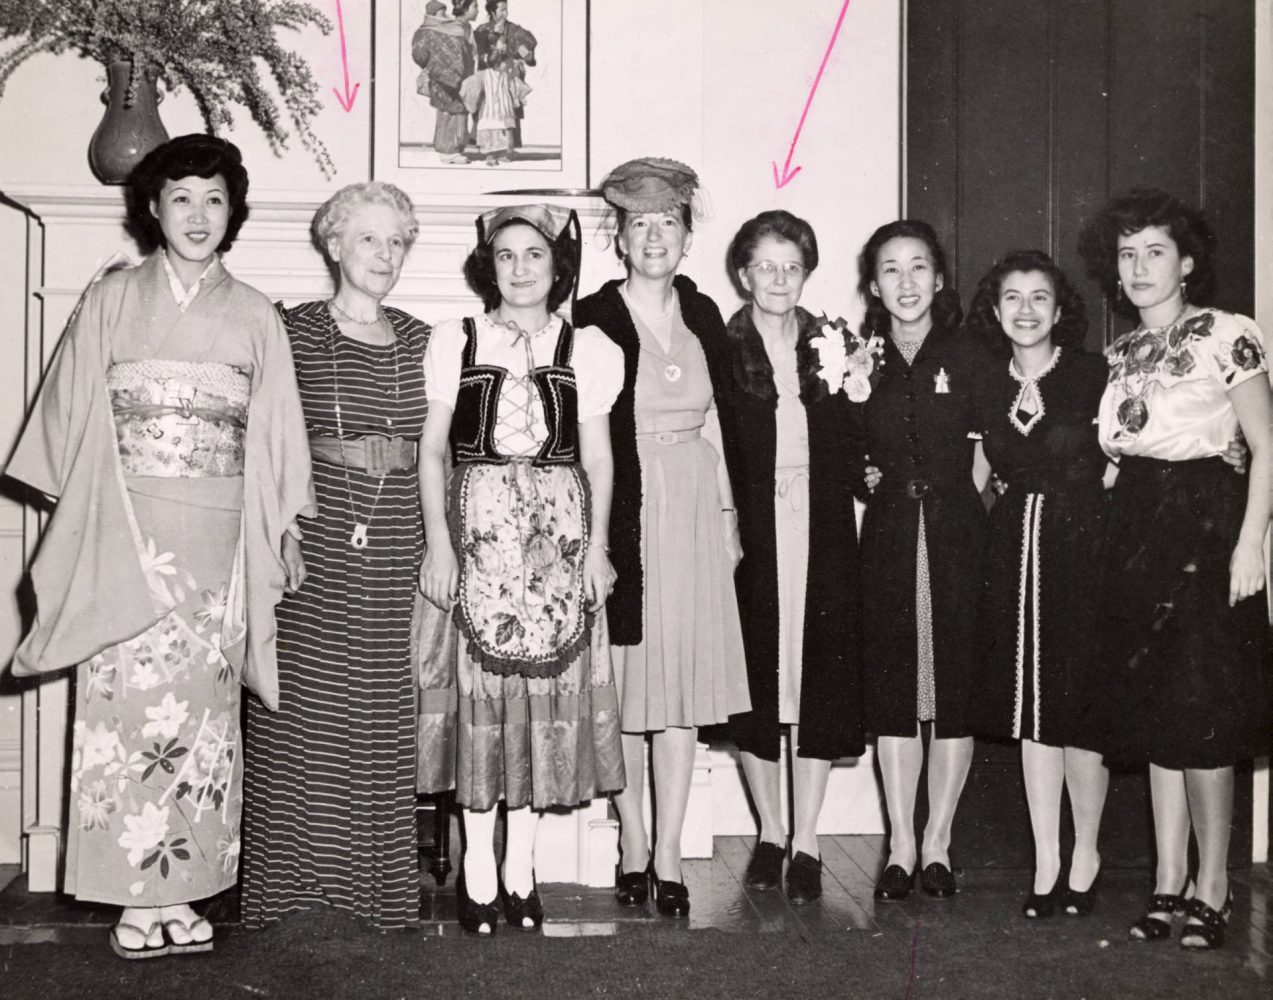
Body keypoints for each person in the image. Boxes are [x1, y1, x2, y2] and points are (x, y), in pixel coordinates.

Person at [3, 134, 313, 958]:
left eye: (214, 198)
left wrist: (278, 530)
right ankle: (134, 902)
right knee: (125, 718)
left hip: (217, 540)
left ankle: (187, 892)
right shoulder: (109, 300)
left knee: (204, 727)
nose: (198, 215)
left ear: (232, 210)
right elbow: (70, 416)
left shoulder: (253, 313)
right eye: (181, 197)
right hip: (125, 532)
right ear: (152, 207)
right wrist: (98, 511)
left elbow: (277, 433)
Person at [415, 204, 626, 935]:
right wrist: (441, 546)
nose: (520, 267)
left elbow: (597, 455)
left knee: (537, 704)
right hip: (478, 538)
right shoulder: (458, 339)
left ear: (555, 264)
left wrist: (596, 548)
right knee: (483, 701)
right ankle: (477, 871)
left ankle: (521, 871)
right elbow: (432, 450)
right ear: (488, 266)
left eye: (533, 253)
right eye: (505, 255)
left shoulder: (589, 347)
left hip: (556, 544)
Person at [1077, 188, 1270, 950]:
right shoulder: (1120, 351)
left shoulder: (1229, 334)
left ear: (1186, 263)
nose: (1138, 267)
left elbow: (1262, 444)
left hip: (1204, 526)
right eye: (1126, 254)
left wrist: (1250, 541)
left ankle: (1212, 884)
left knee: (1203, 713)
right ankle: (1165, 880)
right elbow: (1121, 454)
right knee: (1154, 714)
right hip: (1136, 531)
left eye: (1154, 251)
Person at [239, 182, 430, 930]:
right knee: (301, 712)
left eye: (396, 242)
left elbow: (439, 451)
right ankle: (288, 886)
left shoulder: (422, 341)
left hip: (394, 543)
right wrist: (280, 529)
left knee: (378, 713)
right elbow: (266, 444)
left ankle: (370, 889)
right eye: (369, 239)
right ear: (334, 245)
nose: (384, 255)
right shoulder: (290, 331)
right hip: (313, 536)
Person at [575, 158, 750, 917]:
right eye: (638, 224)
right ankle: (633, 840)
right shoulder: (589, 316)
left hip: (692, 509)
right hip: (624, 504)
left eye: (667, 223)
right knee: (628, 688)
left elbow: (721, 420)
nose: (653, 236)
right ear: (618, 236)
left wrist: (728, 516)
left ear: (686, 235)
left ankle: (671, 852)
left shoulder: (705, 312)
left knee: (679, 695)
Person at [720, 210, 864, 905]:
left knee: (818, 680)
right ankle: (770, 832)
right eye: (765, 266)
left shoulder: (832, 342)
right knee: (756, 680)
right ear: (743, 273)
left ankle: (807, 837)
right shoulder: (720, 347)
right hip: (751, 527)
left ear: (806, 274)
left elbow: (860, 436)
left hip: (823, 524)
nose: (778, 279)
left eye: (792, 266)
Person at [963, 251, 1110, 918]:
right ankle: (1046, 860)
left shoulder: (1088, 373)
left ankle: (1086, 855)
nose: (1025, 310)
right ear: (995, 312)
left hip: (1079, 548)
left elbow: (1119, 461)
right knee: (1029, 710)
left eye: (1038, 298)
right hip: (1010, 549)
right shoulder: (984, 382)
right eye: (1011, 298)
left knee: (1076, 707)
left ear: (1059, 309)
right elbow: (972, 472)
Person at [852, 220, 992, 901]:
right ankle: (899, 847)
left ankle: (938, 841)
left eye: (917, 268)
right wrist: (864, 477)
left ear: (938, 279)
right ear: (873, 284)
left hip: (955, 534)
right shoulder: (855, 358)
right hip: (885, 536)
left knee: (951, 693)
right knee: (894, 694)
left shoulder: (969, 355)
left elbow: (992, 448)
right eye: (889, 269)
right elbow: (845, 449)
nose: (904, 282)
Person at [412, 0, 478, 164]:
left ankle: (456, 149)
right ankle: (448, 152)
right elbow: (419, 55)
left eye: (444, 11)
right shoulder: (425, 31)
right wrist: (436, 67)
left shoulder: (454, 28)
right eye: (440, 12)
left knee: (460, 113)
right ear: (432, 14)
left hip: (460, 78)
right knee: (447, 113)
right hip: (441, 80)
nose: (444, 15)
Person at [473, 1, 537, 147]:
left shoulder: (513, 29)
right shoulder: (481, 30)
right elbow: (480, 54)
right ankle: (486, 147)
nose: (505, 13)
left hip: (508, 78)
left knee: (509, 112)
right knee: (487, 113)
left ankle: (510, 147)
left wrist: (525, 52)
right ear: (492, 12)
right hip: (490, 78)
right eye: (502, 10)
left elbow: (529, 41)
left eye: (506, 10)